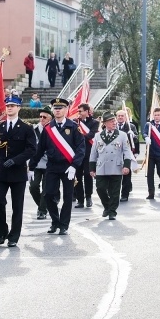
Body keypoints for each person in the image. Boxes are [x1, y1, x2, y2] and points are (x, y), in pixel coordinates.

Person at [29, 97, 86, 235]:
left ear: (66, 110)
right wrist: (31, 166)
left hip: (68, 167)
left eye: (60, 108)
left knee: (68, 197)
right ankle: (55, 221)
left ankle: (64, 225)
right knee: (48, 194)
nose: (58, 110)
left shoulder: (73, 127)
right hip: (52, 166)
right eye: (55, 108)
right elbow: (40, 149)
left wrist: (74, 166)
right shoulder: (48, 128)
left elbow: (81, 148)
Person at [0, 95, 35, 247]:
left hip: (18, 171)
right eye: (8, 105)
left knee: (17, 206)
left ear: (18, 108)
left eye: (12, 106)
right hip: (2, 171)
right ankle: (2, 232)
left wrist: (16, 160)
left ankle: (14, 236)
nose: (9, 108)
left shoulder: (27, 127)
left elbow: (31, 149)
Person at [90, 112, 133, 220]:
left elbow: (127, 152)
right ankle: (107, 206)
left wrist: (126, 166)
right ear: (104, 123)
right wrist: (92, 168)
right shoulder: (98, 135)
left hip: (116, 166)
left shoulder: (122, 135)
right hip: (102, 167)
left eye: (114, 120)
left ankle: (112, 211)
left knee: (114, 192)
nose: (114, 123)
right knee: (100, 188)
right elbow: (93, 153)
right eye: (111, 121)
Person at [29, 106, 52, 219]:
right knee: (33, 187)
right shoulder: (33, 129)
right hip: (36, 163)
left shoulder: (53, 129)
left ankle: (42, 210)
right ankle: (42, 206)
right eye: (40, 116)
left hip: (49, 163)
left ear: (50, 119)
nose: (42, 119)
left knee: (46, 188)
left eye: (44, 117)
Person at [74, 104, 99, 208]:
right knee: (77, 176)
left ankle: (88, 197)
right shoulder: (75, 122)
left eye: (81, 111)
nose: (79, 113)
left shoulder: (94, 122)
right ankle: (80, 199)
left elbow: (91, 135)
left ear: (87, 112)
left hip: (89, 153)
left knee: (88, 175)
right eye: (78, 111)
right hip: (77, 154)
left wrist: (79, 137)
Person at [143, 107, 160, 199]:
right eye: (155, 115)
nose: (156, 117)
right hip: (150, 154)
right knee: (150, 174)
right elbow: (144, 133)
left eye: (158, 115)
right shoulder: (149, 125)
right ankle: (151, 193)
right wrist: (146, 137)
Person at [116, 109, 139, 202]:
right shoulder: (113, 125)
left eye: (122, 116)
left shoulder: (131, 126)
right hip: (115, 154)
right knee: (115, 175)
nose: (120, 117)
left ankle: (125, 195)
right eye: (119, 116)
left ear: (126, 117)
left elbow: (136, 139)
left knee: (126, 174)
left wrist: (133, 136)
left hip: (126, 153)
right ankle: (115, 193)